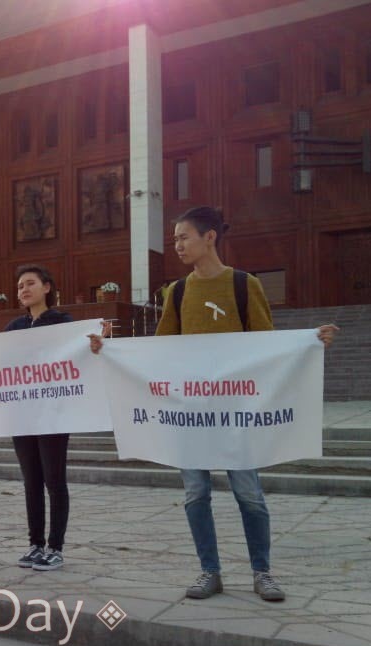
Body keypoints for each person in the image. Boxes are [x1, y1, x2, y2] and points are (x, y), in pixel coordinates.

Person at [90, 205, 338, 601]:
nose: (177, 246)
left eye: (184, 237)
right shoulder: (178, 292)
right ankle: (209, 571)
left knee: (249, 494)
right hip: (190, 415)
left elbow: (267, 348)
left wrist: (309, 343)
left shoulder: (244, 285)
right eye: (174, 240)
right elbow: (161, 351)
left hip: (236, 414)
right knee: (195, 495)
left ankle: (262, 572)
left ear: (210, 237)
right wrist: (114, 352)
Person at [5, 265, 74, 572]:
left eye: (30, 283)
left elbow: (81, 349)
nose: (24, 289)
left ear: (47, 287)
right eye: (20, 286)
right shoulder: (14, 327)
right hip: (23, 416)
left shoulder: (63, 323)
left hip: (53, 416)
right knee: (31, 481)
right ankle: (35, 544)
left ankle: (55, 547)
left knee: (54, 481)